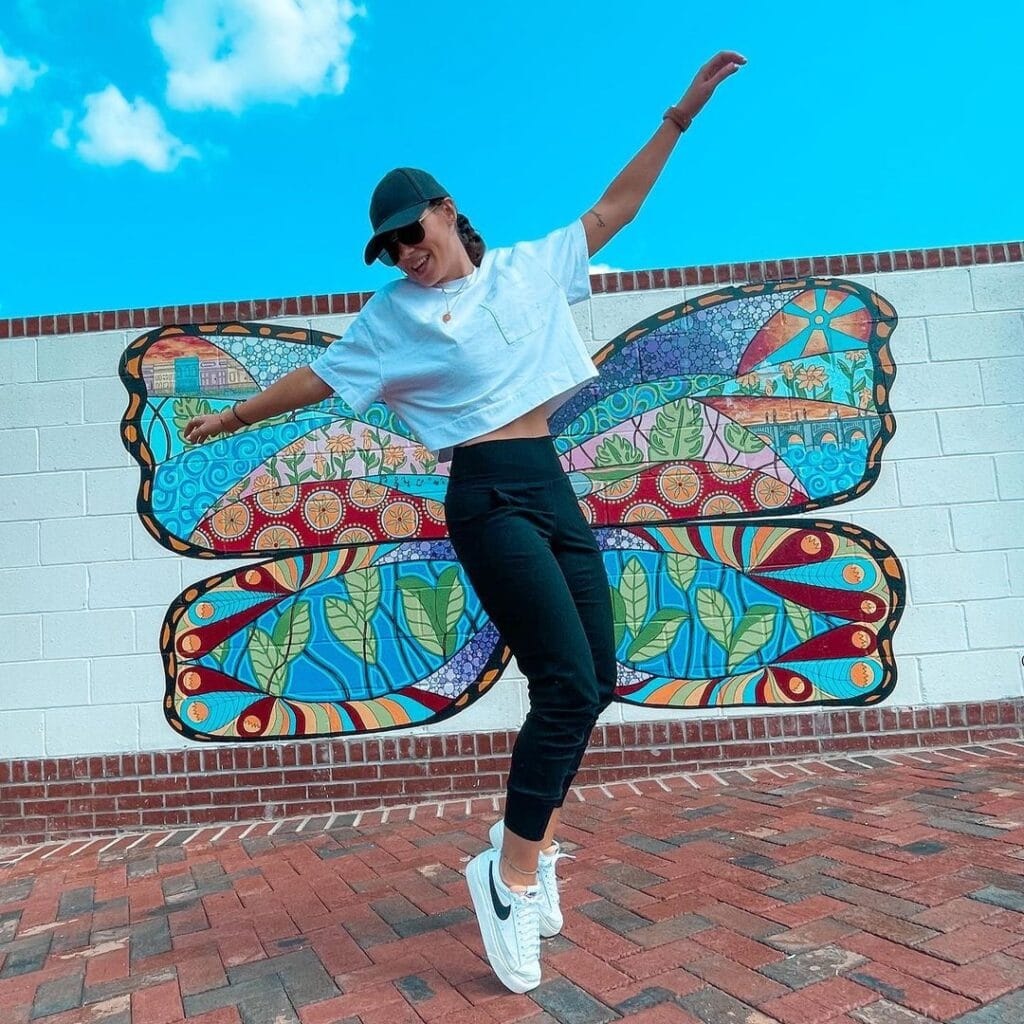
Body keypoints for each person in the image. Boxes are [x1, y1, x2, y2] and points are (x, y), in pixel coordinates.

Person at [184, 50, 746, 993]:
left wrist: (677, 118)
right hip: (486, 495)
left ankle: (527, 848)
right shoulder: (387, 320)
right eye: (390, 245)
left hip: (551, 484)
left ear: (448, 211)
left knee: (595, 681)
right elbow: (317, 378)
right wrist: (233, 416)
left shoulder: (528, 271)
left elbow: (612, 212)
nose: (407, 250)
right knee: (565, 683)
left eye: (414, 229)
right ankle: (507, 877)